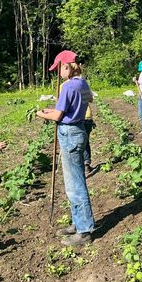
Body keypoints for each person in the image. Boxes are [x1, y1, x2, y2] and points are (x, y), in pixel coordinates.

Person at [36, 50, 95, 247]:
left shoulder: (68, 86)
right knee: (73, 181)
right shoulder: (82, 83)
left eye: (59, 69)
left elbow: (59, 116)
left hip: (69, 133)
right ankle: (77, 223)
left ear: (67, 66)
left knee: (75, 184)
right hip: (78, 128)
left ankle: (84, 231)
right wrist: (53, 110)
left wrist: (41, 114)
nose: (58, 73)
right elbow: (74, 108)